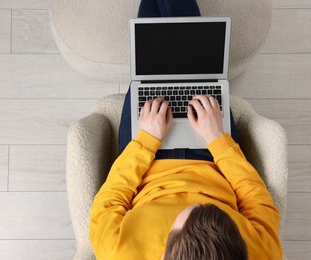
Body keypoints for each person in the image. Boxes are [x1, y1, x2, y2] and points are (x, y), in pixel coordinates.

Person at [89, 0, 283, 259]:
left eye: (189, 211)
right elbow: (257, 203)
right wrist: (218, 139)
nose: (196, 198)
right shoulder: (261, 253)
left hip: (147, 162)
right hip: (215, 157)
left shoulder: (120, 253)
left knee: (152, 73)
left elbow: (108, 203)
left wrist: (146, 140)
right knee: (197, 70)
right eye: (213, 209)